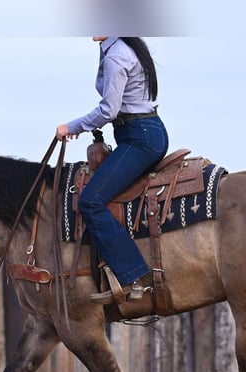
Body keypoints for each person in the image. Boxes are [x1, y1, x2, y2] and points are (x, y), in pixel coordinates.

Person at [56, 37, 168, 304]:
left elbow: (109, 109)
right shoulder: (120, 47)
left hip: (139, 139)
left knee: (90, 201)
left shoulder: (117, 55)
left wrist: (72, 127)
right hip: (141, 132)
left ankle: (133, 275)